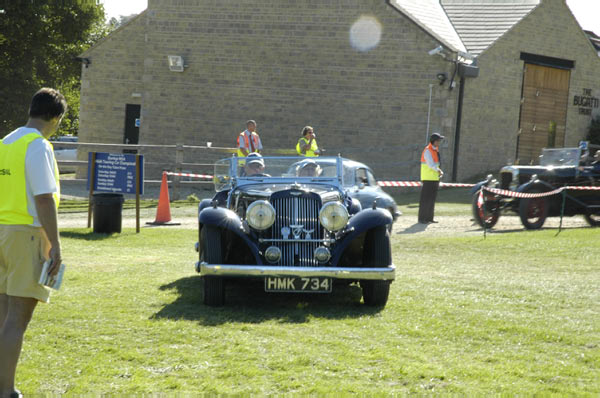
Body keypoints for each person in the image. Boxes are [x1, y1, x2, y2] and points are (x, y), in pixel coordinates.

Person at [0, 88, 66, 398]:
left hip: (2, 232)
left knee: (2, 315)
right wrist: (54, 242)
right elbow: (43, 198)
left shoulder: (6, 142)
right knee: (17, 318)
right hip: (26, 234)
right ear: (55, 118)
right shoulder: (38, 145)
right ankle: (6, 390)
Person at [418, 133, 444, 224]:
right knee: (425, 199)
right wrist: (439, 170)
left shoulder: (435, 150)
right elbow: (430, 164)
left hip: (434, 178)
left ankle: (429, 218)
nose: (439, 142)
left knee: (432, 199)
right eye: (438, 140)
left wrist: (438, 171)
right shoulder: (428, 150)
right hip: (428, 178)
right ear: (434, 141)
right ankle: (422, 218)